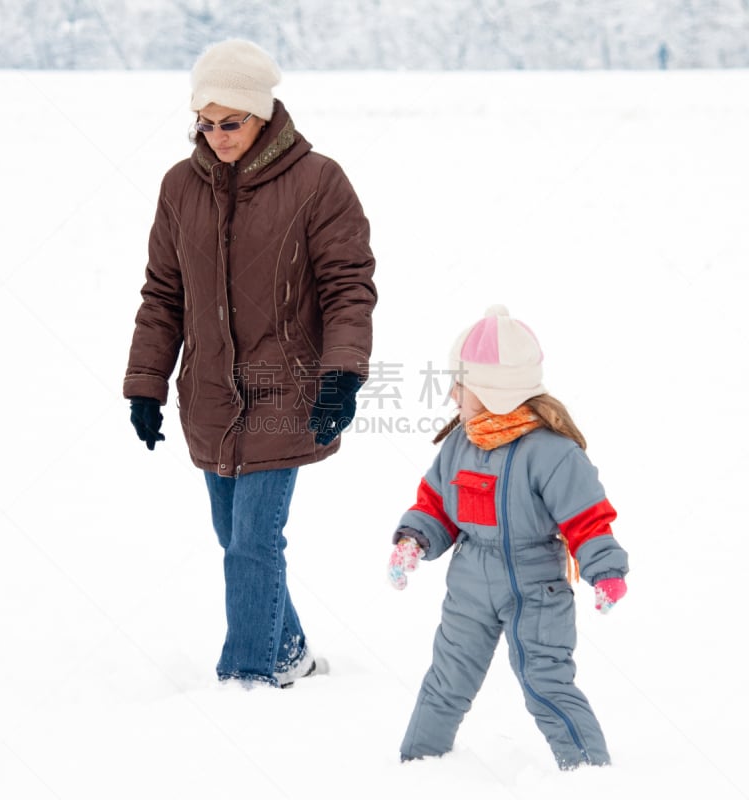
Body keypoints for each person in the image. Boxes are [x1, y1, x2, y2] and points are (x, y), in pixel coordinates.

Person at [124, 39, 377, 688]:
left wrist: (342, 373)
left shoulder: (318, 181)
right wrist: (146, 384)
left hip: (288, 389)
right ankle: (290, 651)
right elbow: (163, 294)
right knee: (234, 537)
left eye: (228, 122)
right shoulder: (181, 187)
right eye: (203, 124)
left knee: (252, 544)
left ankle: (248, 678)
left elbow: (348, 285)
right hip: (209, 393)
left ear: (261, 114)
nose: (215, 136)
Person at [387, 305, 628, 769]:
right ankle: (418, 765)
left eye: (461, 383)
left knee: (545, 682)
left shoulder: (552, 454)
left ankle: (589, 772)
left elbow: (588, 518)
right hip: (470, 585)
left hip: (536, 588)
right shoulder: (460, 442)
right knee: (447, 679)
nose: (452, 393)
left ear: (493, 392)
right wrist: (413, 539)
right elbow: (436, 504)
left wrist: (604, 569)